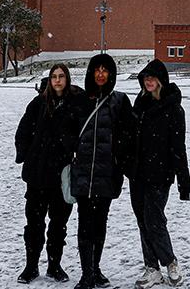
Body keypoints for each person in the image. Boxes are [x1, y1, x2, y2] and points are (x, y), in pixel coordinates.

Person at [70, 54, 136, 289]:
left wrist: (121, 163)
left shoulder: (119, 101)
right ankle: (86, 273)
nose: (100, 74)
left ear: (111, 74)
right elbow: (66, 132)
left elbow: (130, 136)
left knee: (100, 223)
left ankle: (95, 269)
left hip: (108, 174)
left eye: (105, 70)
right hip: (83, 174)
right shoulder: (80, 100)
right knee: (85, 223)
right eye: (97, 70)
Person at [14, 64, 85, 284]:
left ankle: (54, 265)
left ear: (67, 78)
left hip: (62, 174)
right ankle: (31, 265)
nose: (57, 81)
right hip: (37, 174)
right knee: (34, 223)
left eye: (61, 76)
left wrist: (69, 146)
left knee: (58, 224)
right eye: (54, 77)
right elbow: (23, 131)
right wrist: (27, 154)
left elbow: (82, 134)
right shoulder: (38, 104)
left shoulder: (75, 105)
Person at [129, 59, 190, 288]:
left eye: (152, 78)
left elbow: (178, 147)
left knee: (154, 220)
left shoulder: (173, 109)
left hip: (160, 175)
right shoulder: (140, 105)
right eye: (145, 78)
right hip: (137, 174)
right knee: (142, 221)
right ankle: (152, 268)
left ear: (161, 80)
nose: (148, 81)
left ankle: (170, 262)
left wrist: (184, 181)